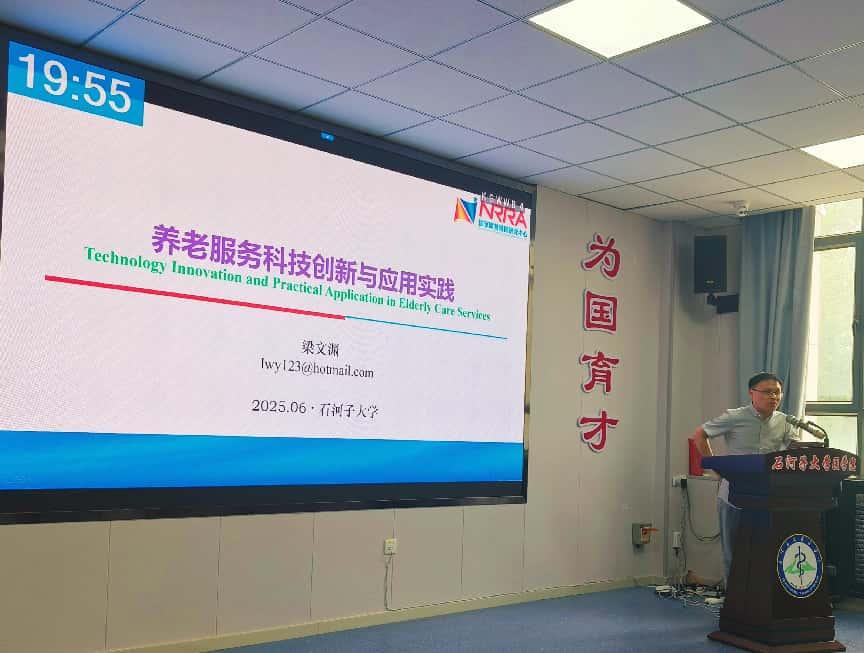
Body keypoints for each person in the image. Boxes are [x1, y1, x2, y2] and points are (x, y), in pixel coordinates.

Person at [690, 372, 800, 587]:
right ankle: (733, 597)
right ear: (752, 393)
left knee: (765, 548)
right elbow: (699, 435)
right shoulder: (735, 416)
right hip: (734, 493)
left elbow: (794, 449)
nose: (773, 397)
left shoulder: (785, 421)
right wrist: (717, 468)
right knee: (733, 549)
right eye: (767, 392)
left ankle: (761, 597)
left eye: (777, 392)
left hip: (768, 495)